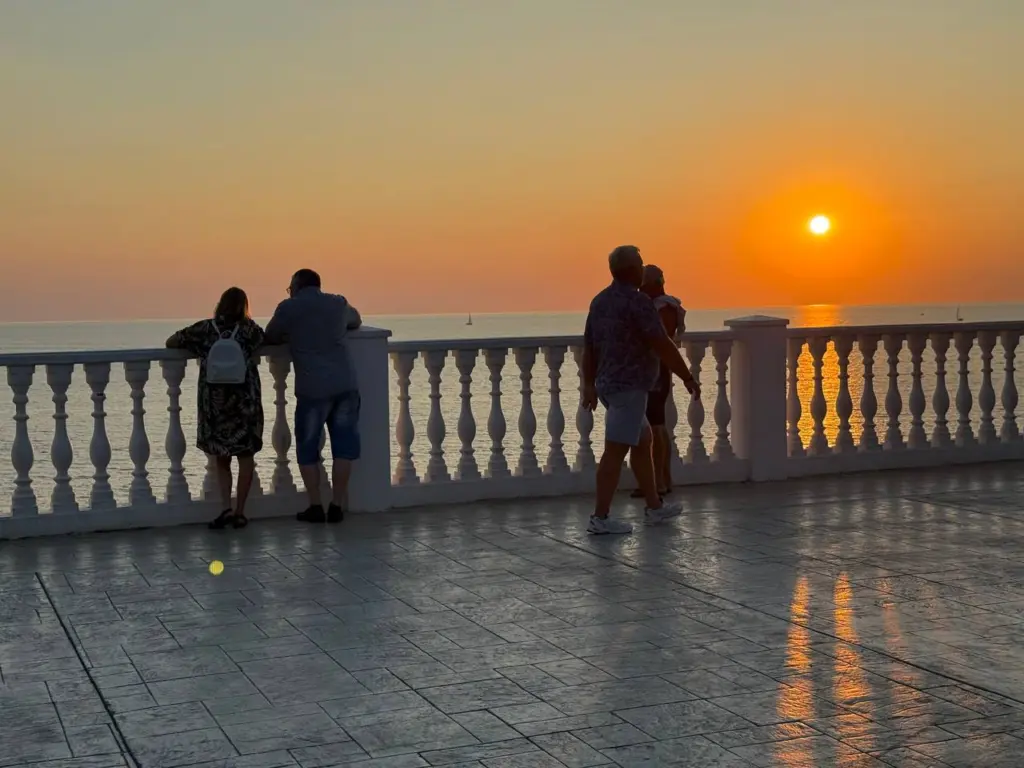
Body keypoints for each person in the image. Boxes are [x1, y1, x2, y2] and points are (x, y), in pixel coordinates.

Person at [581, 246, 700, 534]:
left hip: (610, 386)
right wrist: (686, 376)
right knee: (614, 452)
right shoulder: (638, 303)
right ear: (634, 271)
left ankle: (654, 507)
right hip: (629, 388)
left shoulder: (600, 301)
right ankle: (600, 517)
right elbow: (662, 344)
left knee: (643, 441)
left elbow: (589, 347)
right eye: (640, 265)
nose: (643, 269)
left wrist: (589, 384)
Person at [264, 269, 362, 523]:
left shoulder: (289, 308)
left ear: (296, 287)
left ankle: (316, 505)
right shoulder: (338, 303)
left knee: (308, 449)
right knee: (344, 448)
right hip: (344, 384)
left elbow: (271, 335)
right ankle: (337, 505)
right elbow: (356, 320)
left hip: (312, 388)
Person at [166, 287, 265, 529]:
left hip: (215, 402)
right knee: (246, 456)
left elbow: (172, 342)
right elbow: (268, 339)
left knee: (222, 456)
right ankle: (240, 512)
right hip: (245, 401)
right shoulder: (249, 331)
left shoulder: (205, 329)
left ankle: (226, 508)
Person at [639, 264, 687, 497]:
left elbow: (660, 340)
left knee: (655, 427)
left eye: (643, 283)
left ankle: (658, 481)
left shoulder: (662, 307)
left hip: (655, 372)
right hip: (657, 371)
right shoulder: (666, 305)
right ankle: (663, 479)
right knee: (657, 426)